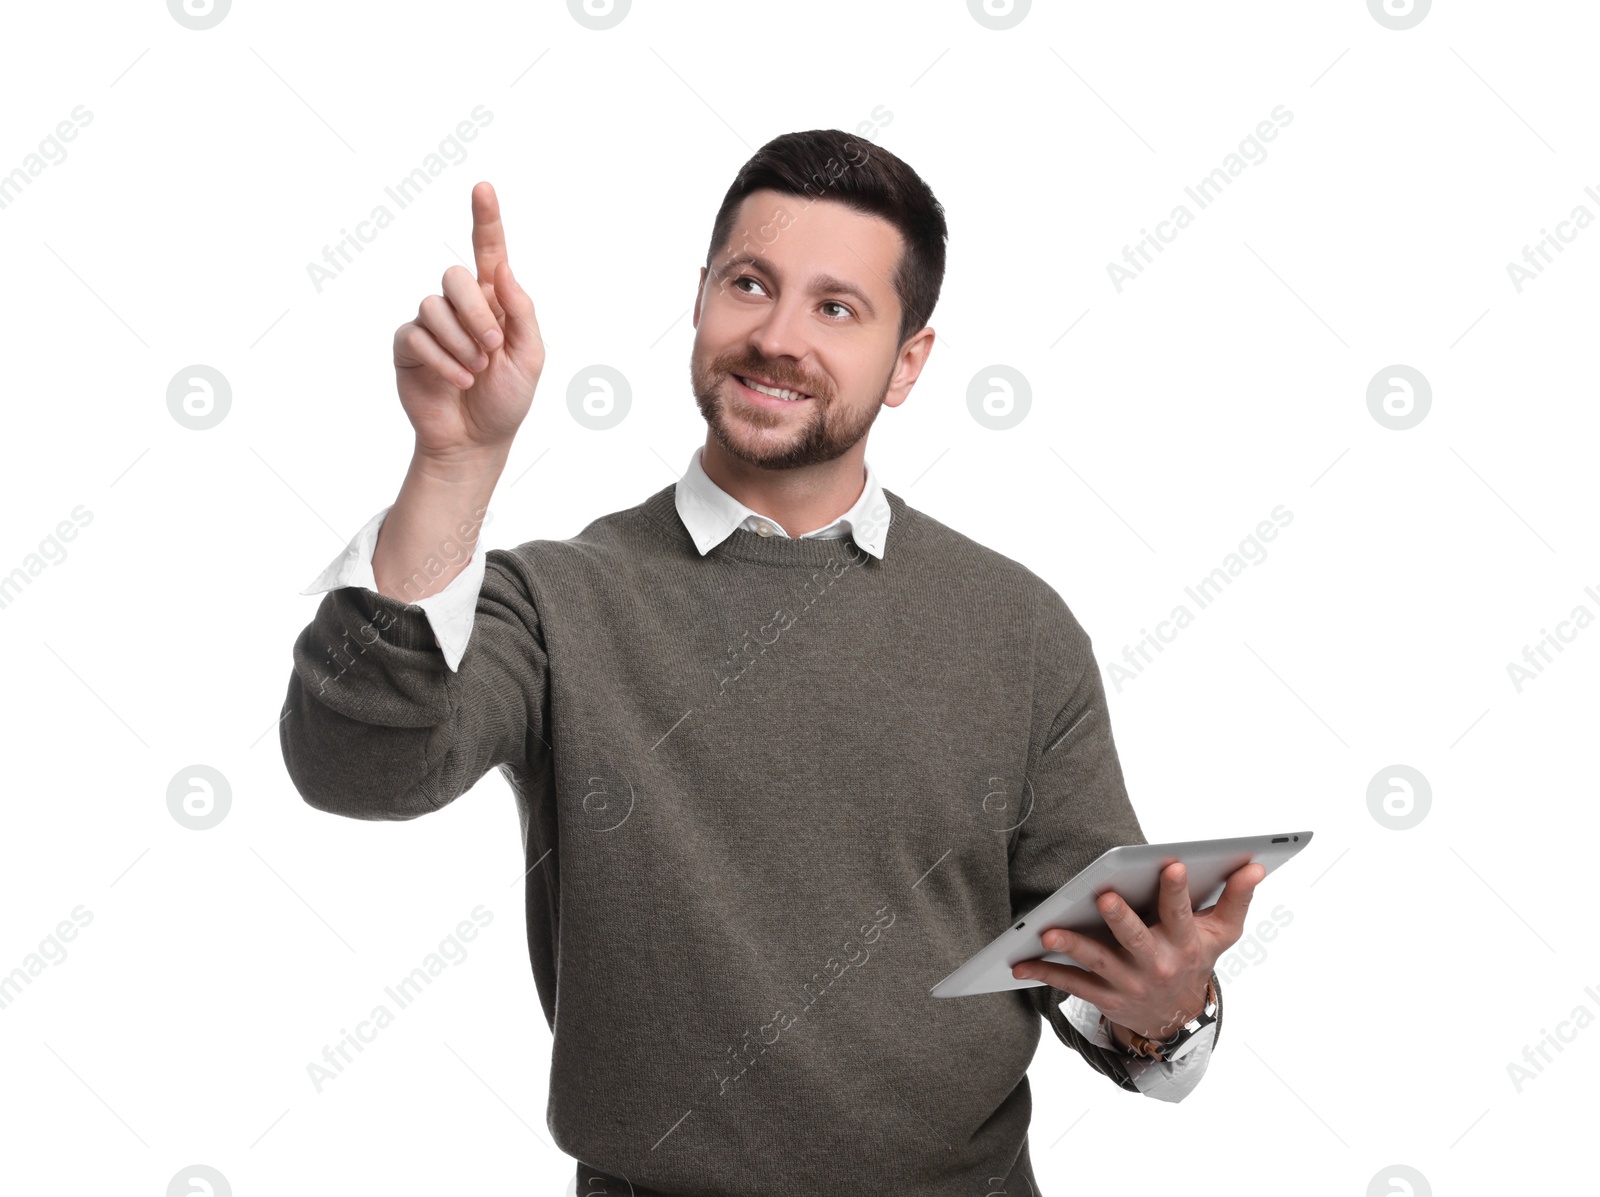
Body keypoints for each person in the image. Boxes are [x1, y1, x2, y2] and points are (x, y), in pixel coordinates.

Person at [280, 129, 1265, 1196]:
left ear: (908, 363)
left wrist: (1165, 1010)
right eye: (750, 285)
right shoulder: (556, 602)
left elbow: (1095, 965)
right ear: (699, 302)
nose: (777, 337)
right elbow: (356, 769)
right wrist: (454, 463)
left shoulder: (1016, 628)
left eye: (837, 308)